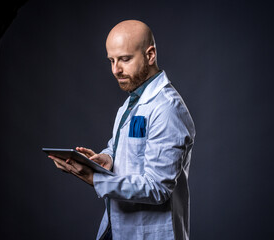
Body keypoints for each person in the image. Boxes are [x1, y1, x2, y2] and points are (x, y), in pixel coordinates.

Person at [48, 20, 195, 240]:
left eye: (125, 59)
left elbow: (158, 188)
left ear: (150, 55)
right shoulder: (133, 101)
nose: (116, 70)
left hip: (147, 232)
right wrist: (106, 159)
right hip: (115, 228)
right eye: (112, 60)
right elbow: (123, 146)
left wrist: (95, 179)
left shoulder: (167, 109)